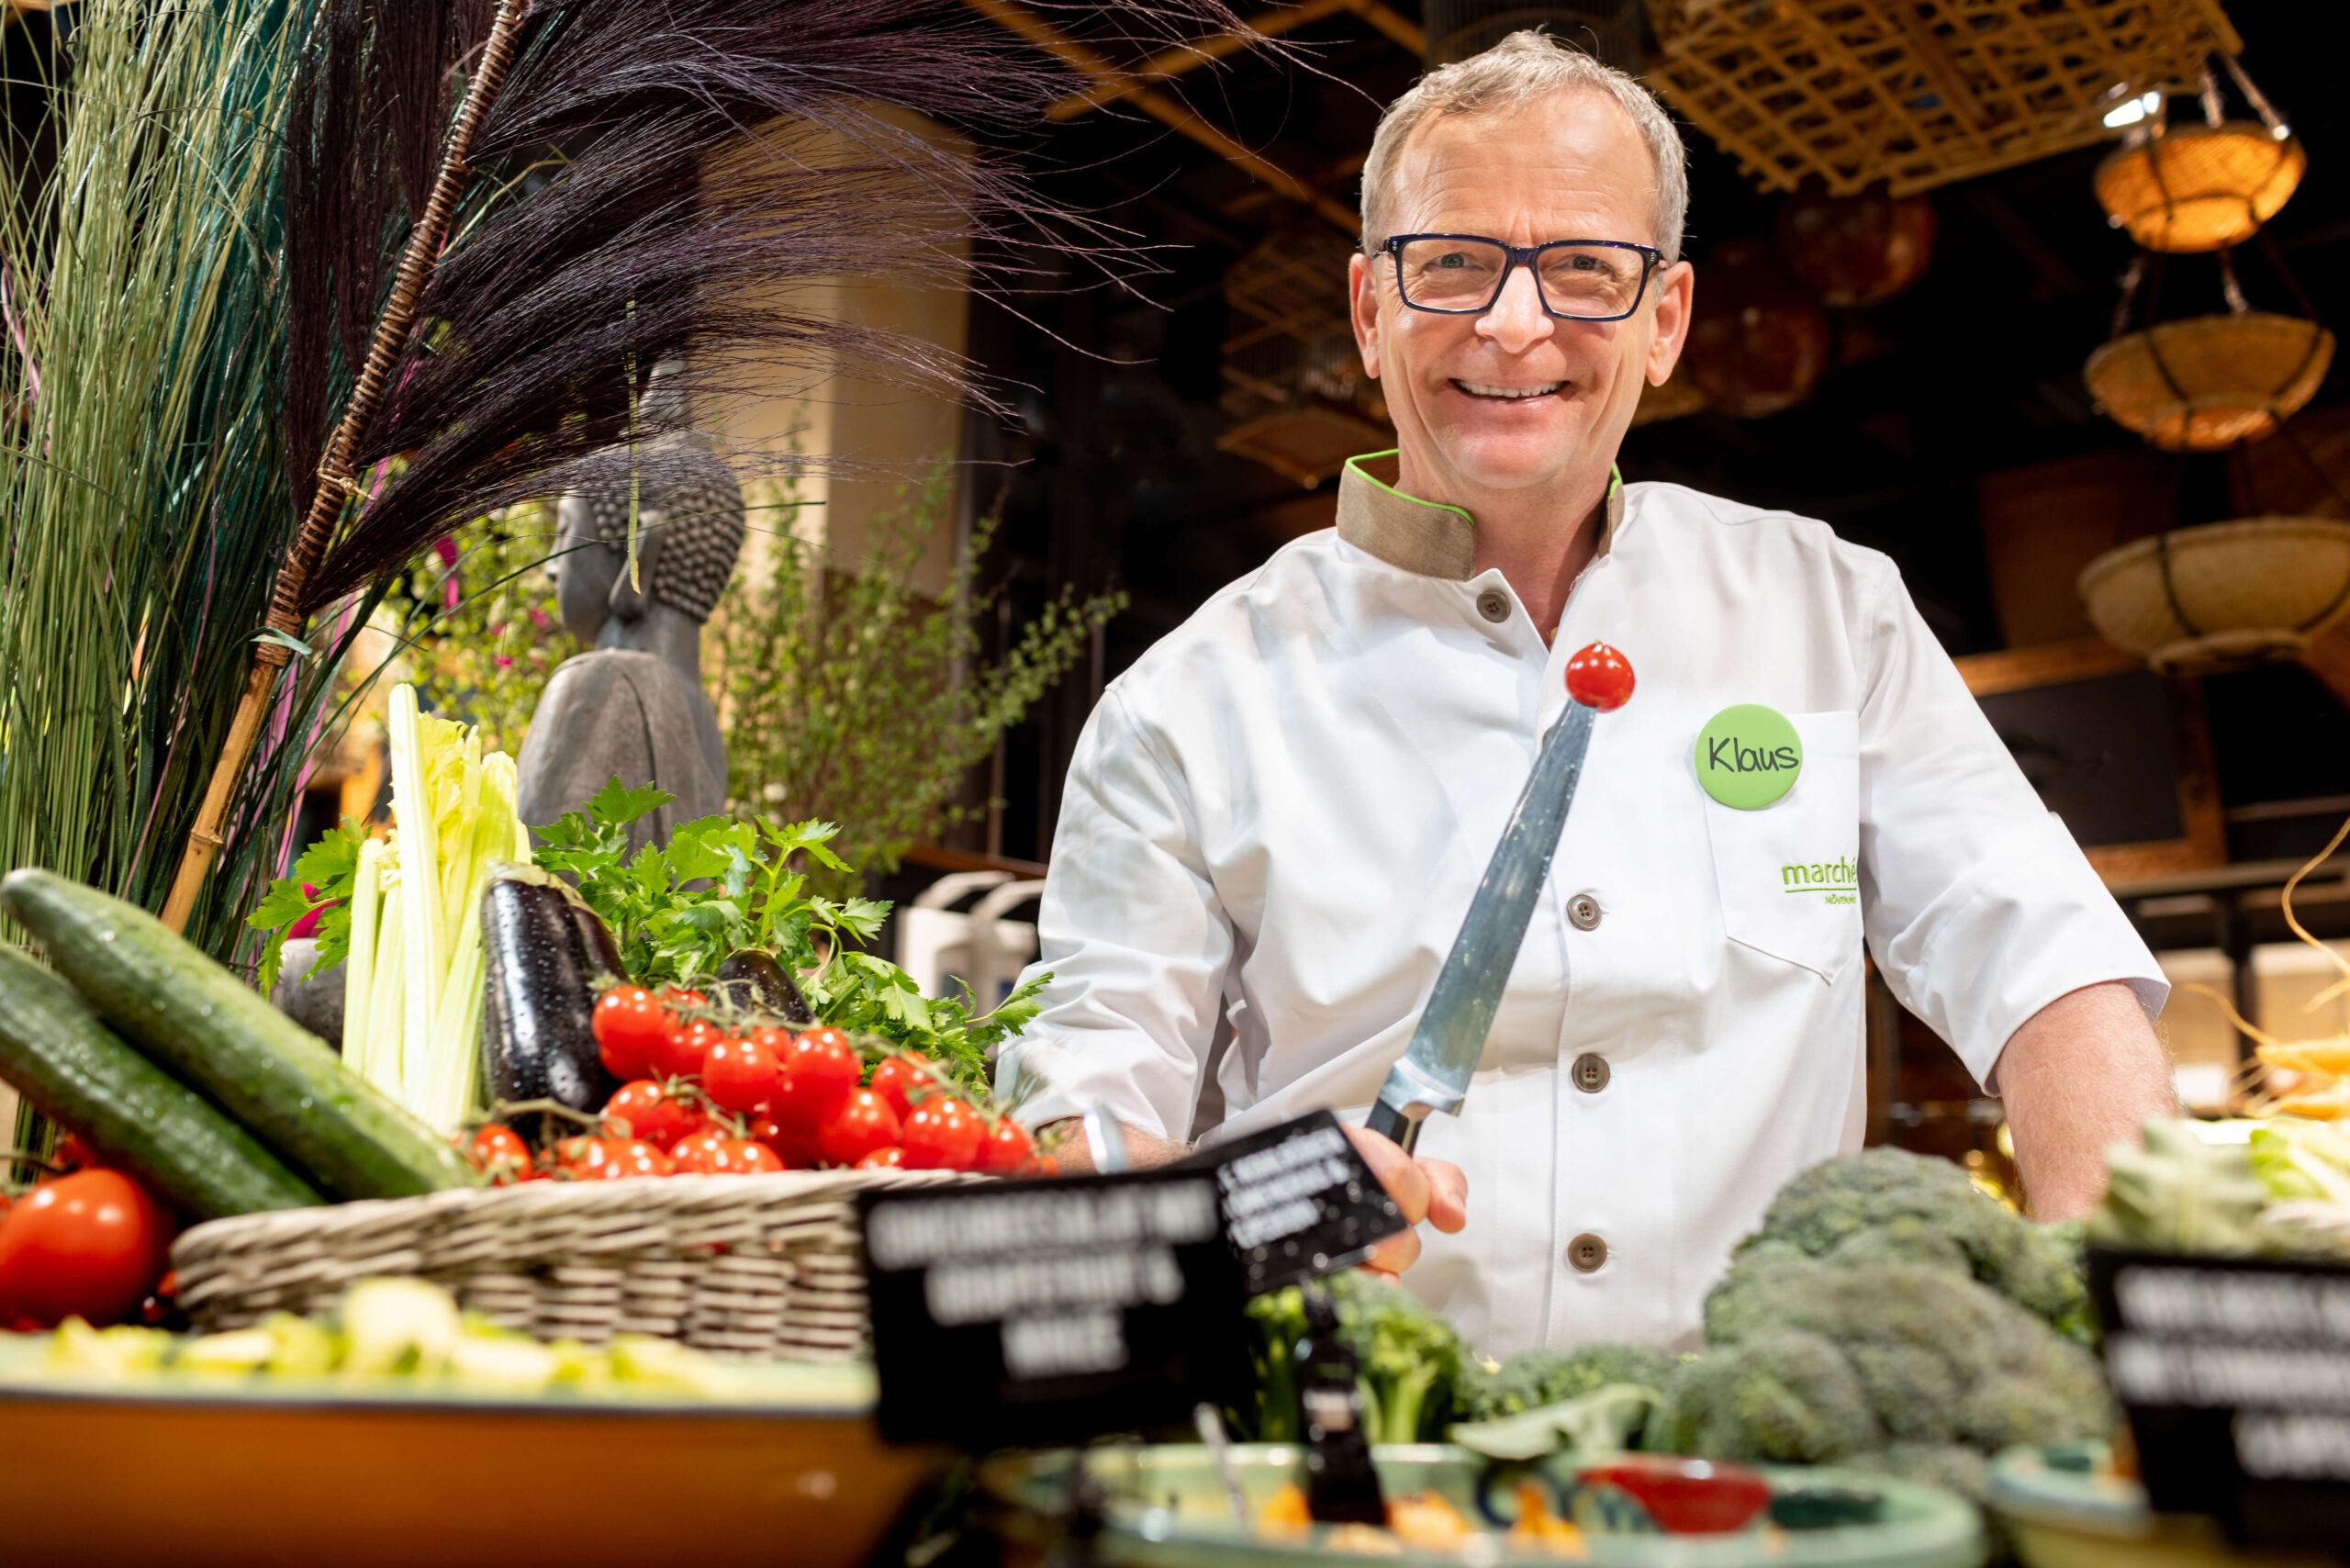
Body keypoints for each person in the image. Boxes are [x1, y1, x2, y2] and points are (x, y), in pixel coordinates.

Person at [993, 31, 2177, 1356]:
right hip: (1349, 1476)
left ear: (1664, 320)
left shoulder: (1830, 611)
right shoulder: (1186, 705)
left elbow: (2042, 964)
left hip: (1755, 1474)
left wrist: (2117, 1322)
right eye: (1449, 263)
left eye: (1584, 269)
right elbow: (1084, 1108)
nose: (1515, 323)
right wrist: (1227, 1211)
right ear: (1369, 309)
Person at [517, 365, 746, 854]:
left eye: (565, 532)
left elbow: (530, 881)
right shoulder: (701, 718)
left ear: (641, 553)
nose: (551, 570)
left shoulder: (597, 683)